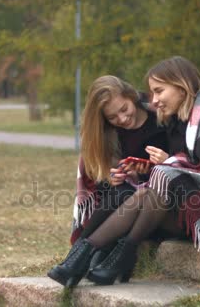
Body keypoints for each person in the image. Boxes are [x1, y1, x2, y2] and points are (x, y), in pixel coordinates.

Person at [51, 56, 200, 287]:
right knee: (137, 191)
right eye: (152, 93)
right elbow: (174, 171)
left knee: (156, 180)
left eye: (159, 91)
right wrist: (145, 170)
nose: (155, 100)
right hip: (169, 206)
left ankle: (93, 257)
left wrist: (168, 163)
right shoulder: (175, 121)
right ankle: (94, 257)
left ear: (181, 86)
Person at [47, 75, 168, 287]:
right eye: (113, 117)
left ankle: (76, 260)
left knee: (131, 194)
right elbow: (99, 182)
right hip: (124, 198)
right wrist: (113, 177)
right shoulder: (109, 132)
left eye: (124, 109)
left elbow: (178, 168)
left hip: (157, 204)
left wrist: (149, 170)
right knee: (121, 192)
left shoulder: (160, 121)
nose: (122, 119)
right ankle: (79, 260)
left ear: (131, 97)